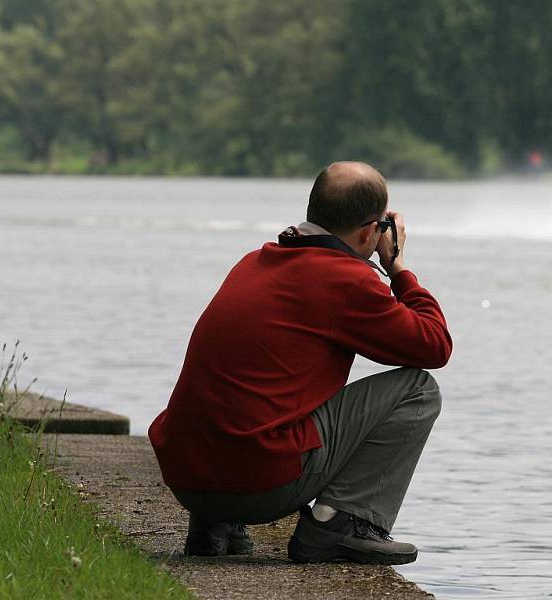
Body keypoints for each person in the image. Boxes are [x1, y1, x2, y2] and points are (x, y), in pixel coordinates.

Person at [148, 161, 453, 566]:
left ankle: (216, 522)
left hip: (186, 478)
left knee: (250, 396)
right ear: (369, 232)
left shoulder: (255, 261)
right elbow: (435, 345)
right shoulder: (347, 281)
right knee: (418, 390)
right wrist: (396, 266)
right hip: (257, 485)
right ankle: (339, 526)